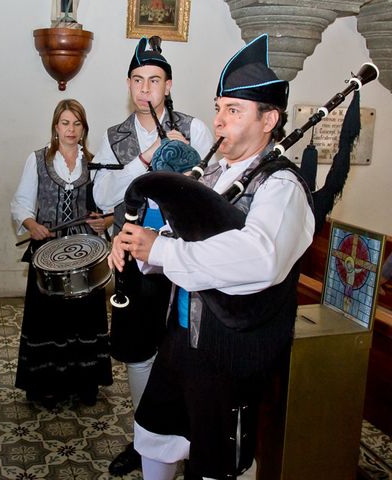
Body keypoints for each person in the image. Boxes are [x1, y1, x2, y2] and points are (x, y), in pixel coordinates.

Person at [108, 34, 315, 479]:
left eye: (234, 111)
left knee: (218, 463)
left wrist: (160, 248)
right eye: (218, 108)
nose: (219, 122)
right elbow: (183, 233)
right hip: (182, 338)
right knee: (157, 438)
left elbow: (258, 257)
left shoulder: (282, 186)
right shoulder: (216, 173)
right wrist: (142, 245)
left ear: (269, 120)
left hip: (230, 352)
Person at [91, 35, 214, 476]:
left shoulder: (195, 127)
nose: (146, 89)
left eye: (155, 80)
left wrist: (184, 158)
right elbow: (103, 195)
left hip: (183, 255)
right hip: (136, 262)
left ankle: (185, 435)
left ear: (168, 85)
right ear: (129, 85)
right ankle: (145, 437)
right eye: (138, 80)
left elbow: (213, 193)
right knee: (140, 351)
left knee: (184, 346)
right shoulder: (116, 137)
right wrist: (145, 158)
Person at [11, 99, 113, 408]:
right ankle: (47, 385)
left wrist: (104, 222)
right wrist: (32, 224)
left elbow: (106, 207)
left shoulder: (94, 163)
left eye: (77, 124)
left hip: (84, 251)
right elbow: (21, 203)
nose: (71, 129)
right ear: (56, 127)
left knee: (83, 316)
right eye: (65, 123)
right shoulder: (38, 159)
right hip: (47, 253)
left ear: (84, 129)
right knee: (49, 318)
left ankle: (84, 383)